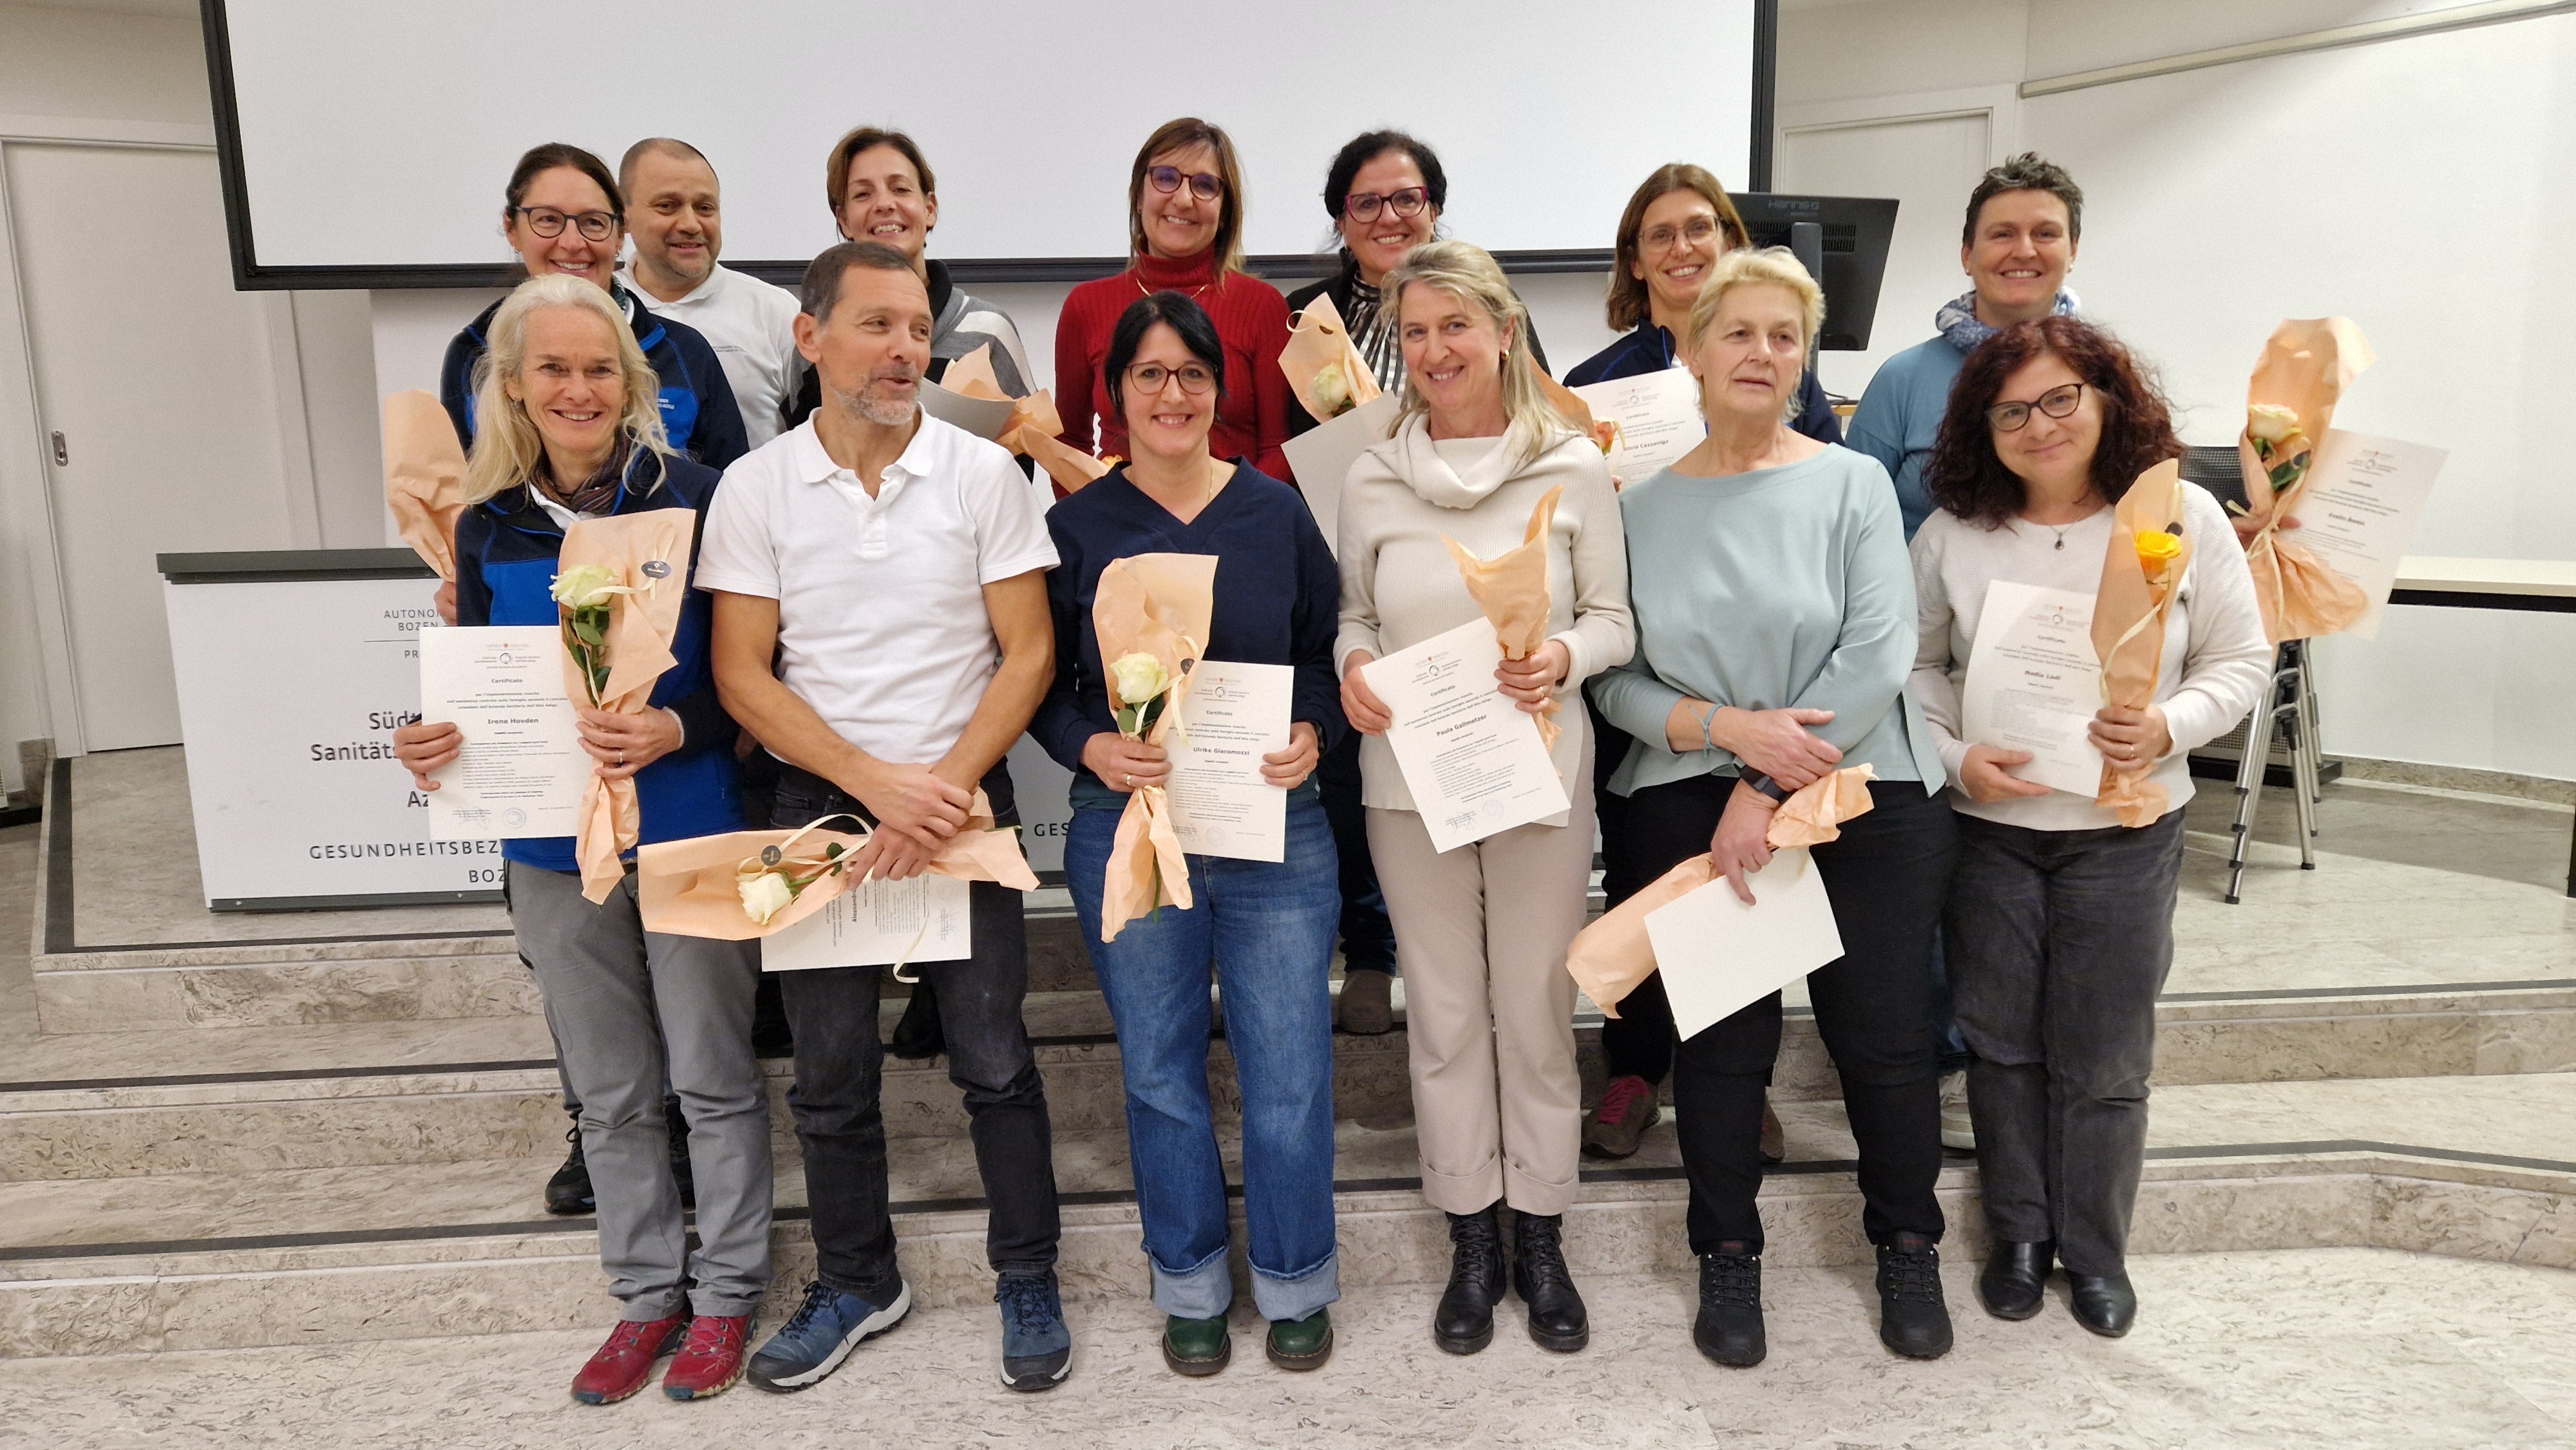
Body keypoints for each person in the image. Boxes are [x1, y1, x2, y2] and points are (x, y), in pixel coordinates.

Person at [699, 240, 1070, 1394]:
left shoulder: (981, 474)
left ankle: (1028, 1272)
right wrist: (874, 784)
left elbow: (1030, 651)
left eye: (917, 327)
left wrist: (937, 788)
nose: (907, 348)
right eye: (877, 325)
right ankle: (861, 1279)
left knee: (997, 1057)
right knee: (828, 1068)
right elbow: (743, 677)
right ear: (811, 339)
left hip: (962, 793)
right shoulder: (756, 486)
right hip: (821, 803)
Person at [391, 273, 768, 1406]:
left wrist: (679, 721)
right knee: (611, 1090)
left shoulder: (704, 498)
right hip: (552, 848)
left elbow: (759, 676)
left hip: (693, 822)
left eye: (599, 367)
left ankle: (731, 1291)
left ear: (632, 382)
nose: (578, 387)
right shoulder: (485, 523)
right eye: (552, 368)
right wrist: (436, 740)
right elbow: (487, 686)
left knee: (712, 1075)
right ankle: (646, 1294)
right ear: (513, 386)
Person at [1590, 248, 1956, 1370]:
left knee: (1885, 1043)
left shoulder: (1850, 482)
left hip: (1860, 789)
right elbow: (1614, 676)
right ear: (1691, 352)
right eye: (1737, 333)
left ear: (1806, 360)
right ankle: (1727, 1253)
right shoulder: (1635, 506)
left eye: (1784, 337)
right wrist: (1730, 735)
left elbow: (1880, 649)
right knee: (1722, 1049)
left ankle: (1905, 1243)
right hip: (1690, 793)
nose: (1761, 354)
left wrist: (1763, 779)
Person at [1911, 316, 2268, 1337]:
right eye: (2011, 409)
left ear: (2108, 398)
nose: (2038, 425)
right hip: (1993, 827)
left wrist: (2165, 724)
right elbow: (1915, 664)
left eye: (2060, 398)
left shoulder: (2182, 514)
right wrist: (1952, 757)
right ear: (1984, 427)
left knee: (2107, 1058)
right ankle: (2021, 1236)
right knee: (2002, 1044)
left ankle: (2096, 1248)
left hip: (2128, 828)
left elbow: (2242, 664)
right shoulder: (1952, 534)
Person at [1034, 291, 1346, 1376]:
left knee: (1291, 1066)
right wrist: (1088, 747)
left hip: (1276, 826)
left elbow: (1323, 654)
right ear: (1114, 394)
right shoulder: (1077, 527)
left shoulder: (1276, 512)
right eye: (1149, 374)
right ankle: (1192, 1283)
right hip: (1130, 826)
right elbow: (1044, 688)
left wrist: (1315, 725)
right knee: (1160, 1068)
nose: (1173, 394)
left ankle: (1300, 1279)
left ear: (1221, 387)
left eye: (1192, 374)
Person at [1336, 240, 1633, 1358]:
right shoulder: (1370, 473)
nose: (1434, 350)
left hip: (1537, 779)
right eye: (1414, 332)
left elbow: (1616, 620)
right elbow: (1354, 619)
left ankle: (1541, 1232)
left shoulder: (1570, 466)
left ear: (1506, 332)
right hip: (1408, 786)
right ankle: (1472, 1233)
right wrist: (1354, 670)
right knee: (1449, 1017)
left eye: (1455, 326)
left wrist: (1559, 657)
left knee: (1536, 1010)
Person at [1567, 162, 1839, 1165]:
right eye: (1661, 235)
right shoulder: (1591, 386)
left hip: (1758, 677)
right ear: (1634, 263)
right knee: (1641, 867)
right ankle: (1635, 1067)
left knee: (1743, 877)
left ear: (1730, 242)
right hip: (1638, 667)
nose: (1683, 248)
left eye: (1702, 228)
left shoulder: (1783, 369)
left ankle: (1736, 1080)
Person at [1847, 151, 2085, 1152]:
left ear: (2071, 249)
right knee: (1941, 883)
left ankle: (2045, 1078)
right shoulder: (1905, 380)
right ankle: (1950, 1067)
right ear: (1967, 252)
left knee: (2049, 901)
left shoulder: (2099, 368)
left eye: (2044, 233)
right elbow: (1852, 522)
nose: (2022, 251)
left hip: (2059, 685)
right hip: (1924, 680)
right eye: (2002, 233)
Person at [439, 142, 748, 472]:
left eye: (594, 222)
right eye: (547, 220)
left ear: (619, 235)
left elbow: (729, 494)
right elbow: (463, 496)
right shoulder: (474, 351)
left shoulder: (684, 352)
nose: (573, 243)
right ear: (512, 229)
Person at [1056, 118, 1292, 482]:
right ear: (1138, 195)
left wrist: (1236, 520)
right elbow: (1069, 441)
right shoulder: (1085, 306)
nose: (1183, 200)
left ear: (1225, 209)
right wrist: (1096, 521)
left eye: (1204, 185)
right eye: (1166, 178)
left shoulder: (1264, 307)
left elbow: (1279, 446)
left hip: (1237, 530)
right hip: (1119, 531)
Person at [1283, 131, 1549, 438]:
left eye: (1406, 199)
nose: (1389, 218)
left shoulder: (1485, 299)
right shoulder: (1304, 315)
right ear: (1341, 222)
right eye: (1367, 204)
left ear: (1434, 212)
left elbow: (1536, 407)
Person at [782, 126, 1039, 426]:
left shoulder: (987, 329)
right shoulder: (824, 329)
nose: (885, 204)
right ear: (844, 220)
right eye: (863, 194)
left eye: (900, 189)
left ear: (930, 209)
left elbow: (1023, 450)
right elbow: (801, 439)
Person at [614, 138, 804, 447]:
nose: (691, 224)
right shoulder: (599, 307)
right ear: (624, 218)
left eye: (705, 208)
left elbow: (822, 437)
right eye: (667, 206)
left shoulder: (777, 313)